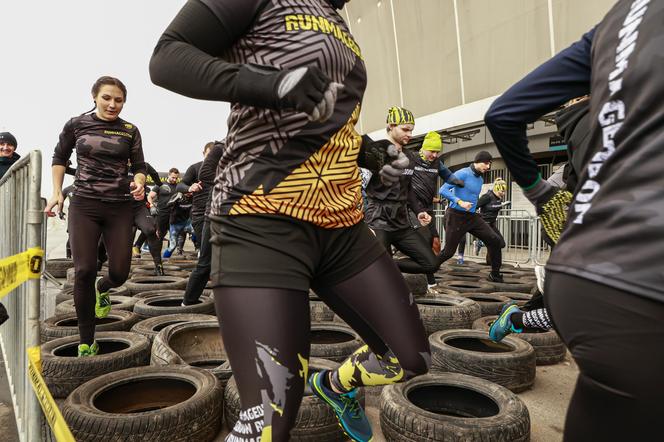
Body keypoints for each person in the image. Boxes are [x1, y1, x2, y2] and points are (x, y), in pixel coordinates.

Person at [150, 2, 430, 441]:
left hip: (343, 227)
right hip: (259, 219)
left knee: (410, 358)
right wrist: (272, 83)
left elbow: (325, 120)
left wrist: (374, 153)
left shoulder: (338, 19)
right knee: (269, 420)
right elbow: (166, 57)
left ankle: (336, 388)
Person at [483, 1, 664, 439]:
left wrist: (540, 191)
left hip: (583, 273)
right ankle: (523, 315)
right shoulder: (585, 129)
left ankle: (522, 317)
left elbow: (503, 114)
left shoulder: (621, 18)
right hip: (633, 280)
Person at [45, 76, 146, 357]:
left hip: (119, 206)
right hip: (85, 204)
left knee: (119, 272)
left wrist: (138, 181)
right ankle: (86, 341)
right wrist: (57, 192)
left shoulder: (130, 130)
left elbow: (139, 166)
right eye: (107, 98)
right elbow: (59, 158)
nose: (113, 104)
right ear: (94, 97)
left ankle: (105, 288)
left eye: (119, 100)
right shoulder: (77, 124)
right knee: (84, 270)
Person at [364, 108, 450, 288]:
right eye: (405, 129)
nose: (410, 134)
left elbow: (408, 189)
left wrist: (419, 212)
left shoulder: (410, 157)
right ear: (391, 126)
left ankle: (388, 267)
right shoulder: (374, 151)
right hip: (377, 222)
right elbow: (357, 187)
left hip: (401, 224)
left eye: (412, 130)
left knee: (431, 263)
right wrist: (361, 224)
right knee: (381, 282)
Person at [437, 151, 506, 282]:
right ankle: (428, 269)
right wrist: (460, 202)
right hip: (455, 215)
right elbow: (443, 190)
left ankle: (495, 275)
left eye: (490, 164)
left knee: (495, 240)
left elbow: (474, 197)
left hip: (472, 217)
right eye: (486, 163)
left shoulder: (480, 179)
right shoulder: (462, 173)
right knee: (448, 252)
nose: (488, 167)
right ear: (477, 161)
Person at [182, 141, 224, 306]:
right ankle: (187, 304)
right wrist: (189, 187)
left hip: (242, 214)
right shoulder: (196, 167)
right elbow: (182, 184)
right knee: (205, 262)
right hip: (205, 214)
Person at [409, 131, 464, 255]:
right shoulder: (411, 158)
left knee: (436, 243)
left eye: (437, 152)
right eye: (432, 151)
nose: (434, 155)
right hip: (412, 208)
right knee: (424, 242)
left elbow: (450, 177)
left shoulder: (437, 163)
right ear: (424, 148)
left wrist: (462, 183)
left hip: (428, 208)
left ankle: (430, 270)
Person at [457, 178, 509, 264]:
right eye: (501, 191)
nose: (503, 194)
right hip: (484, 224)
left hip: (492, 224)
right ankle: (488, 258)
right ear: (496, 189)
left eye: (504, 191)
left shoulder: (499, 198)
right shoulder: (487, 196)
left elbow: (494, 206)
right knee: (493, 242)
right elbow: (475, 206)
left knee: (501, 244)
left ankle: (482, 246)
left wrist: (502, 205)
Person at [177, 142, 214, 251]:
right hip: (200, 213)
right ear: (203, 153)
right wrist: (190, 188)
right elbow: (180, 185)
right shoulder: (195, 168)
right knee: (205, 246)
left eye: (214, 157)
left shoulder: (223, 169)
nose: (212, 160)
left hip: (218, 211)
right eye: (208, 156)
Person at [145, 168, 179, 255]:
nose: (174, 179)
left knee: (173, 238)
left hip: (173, 216)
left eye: (176, 178)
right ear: (168, 175)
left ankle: (167, 256)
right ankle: (156, 255)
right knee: (159, 235)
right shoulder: (160, 185)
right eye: (173, 177)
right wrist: (152, 206)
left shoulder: (178, 186)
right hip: (161, 215)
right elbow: (149, 196)